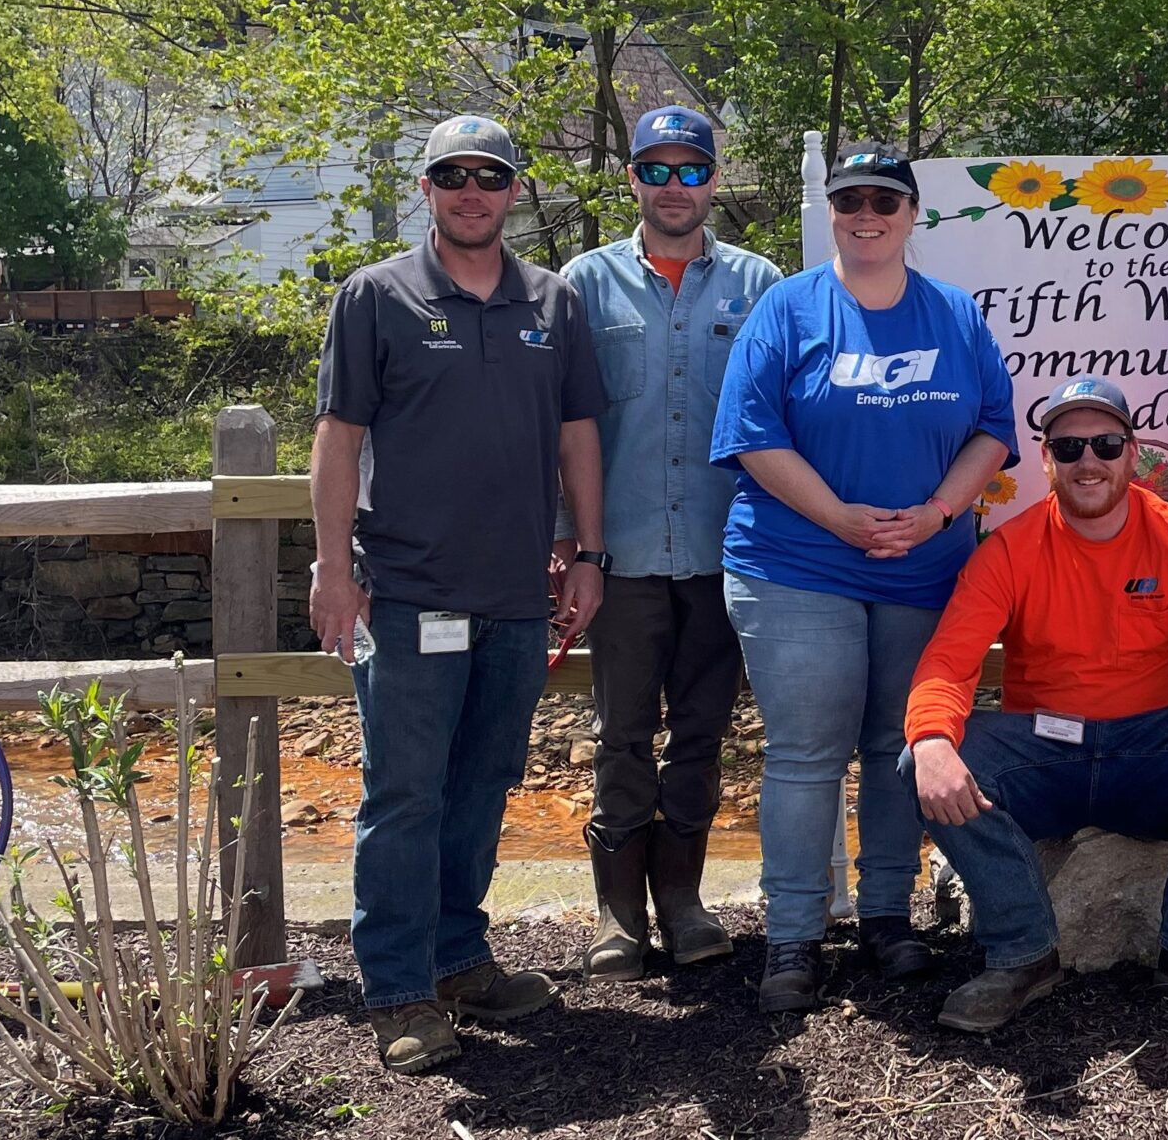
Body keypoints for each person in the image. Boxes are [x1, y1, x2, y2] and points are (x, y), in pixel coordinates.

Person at [310, 116, 609, 1075]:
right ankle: (397, 986)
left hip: (519, 598)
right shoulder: (376, 297)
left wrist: (588, 549)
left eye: (490, 177)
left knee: (483, 785)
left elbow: (576, 437)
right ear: (428, 189)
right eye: (453, 176)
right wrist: (328, 568)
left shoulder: (553, 302)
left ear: (514, 190)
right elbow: (338, 438)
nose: (472, 192)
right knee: (405, 795)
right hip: (406, 595)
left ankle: (457, 956)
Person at [711, 144, 1017, 1015]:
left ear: (914, 215)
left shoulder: (954, 315)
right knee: (807, 754)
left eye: (886, 198)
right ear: (833, 212)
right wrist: (839, 516)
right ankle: (796, 934)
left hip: (923, 567)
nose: (867, 212)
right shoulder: (788, 308)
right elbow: (752, 434)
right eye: (851, 199)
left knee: (901, 746)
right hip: (796, 563)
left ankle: (888, 915)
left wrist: (940, 512)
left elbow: (993, 427)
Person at [906, 377, 1168, 1032]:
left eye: (1106, 443)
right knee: (918, 757)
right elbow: (948, 660)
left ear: (1132, 451)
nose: (1088, 460)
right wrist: (931, 740)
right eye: (1069, 447)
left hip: (1151, 758)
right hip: (1048, 756)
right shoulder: (1009, 546)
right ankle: (1023, 954)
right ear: (1044, 459)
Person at [560, 106, 781, 979]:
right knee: (620, 735)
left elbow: (782, 418)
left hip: (725, 552)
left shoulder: (759, 283)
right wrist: (565, 543)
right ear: (633, 180)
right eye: (657, 169)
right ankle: (619, 915)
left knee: (700, 732)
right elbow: (561, 425)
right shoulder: (581, 283)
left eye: (692, 171)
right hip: (617, 557)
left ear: (715, 181)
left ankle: (684, 901)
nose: (675, 186)